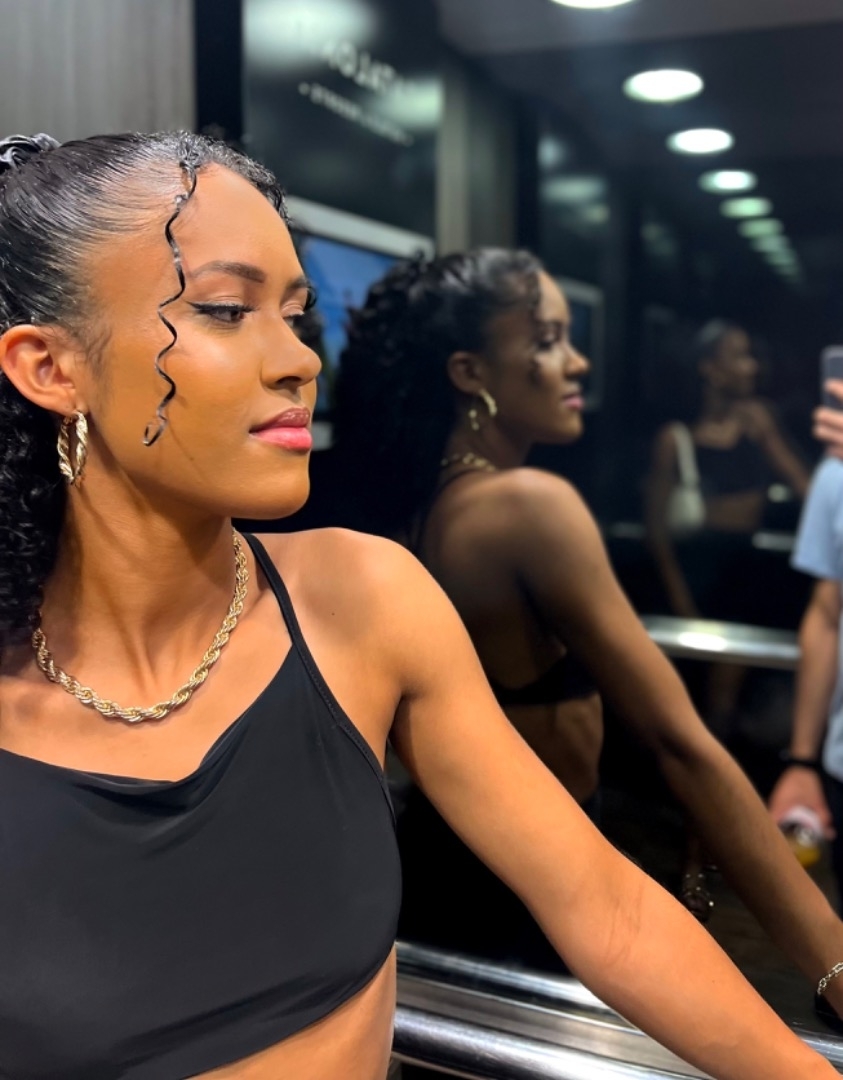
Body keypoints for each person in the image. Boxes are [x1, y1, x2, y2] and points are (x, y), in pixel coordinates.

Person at [0, 133, 835, 1080]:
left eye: (298, 315)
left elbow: (607, 906)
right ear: (50, 368)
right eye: (227, 310)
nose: (299, 360)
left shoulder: (364, 595)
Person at [329, 250, 843, 1001]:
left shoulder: (426, 504)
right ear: (470, 372)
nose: (577, 361)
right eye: (546, 340)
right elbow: (678, 744)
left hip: (453, 862)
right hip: (524, 889)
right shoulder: (525, 508)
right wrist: (833, 962)